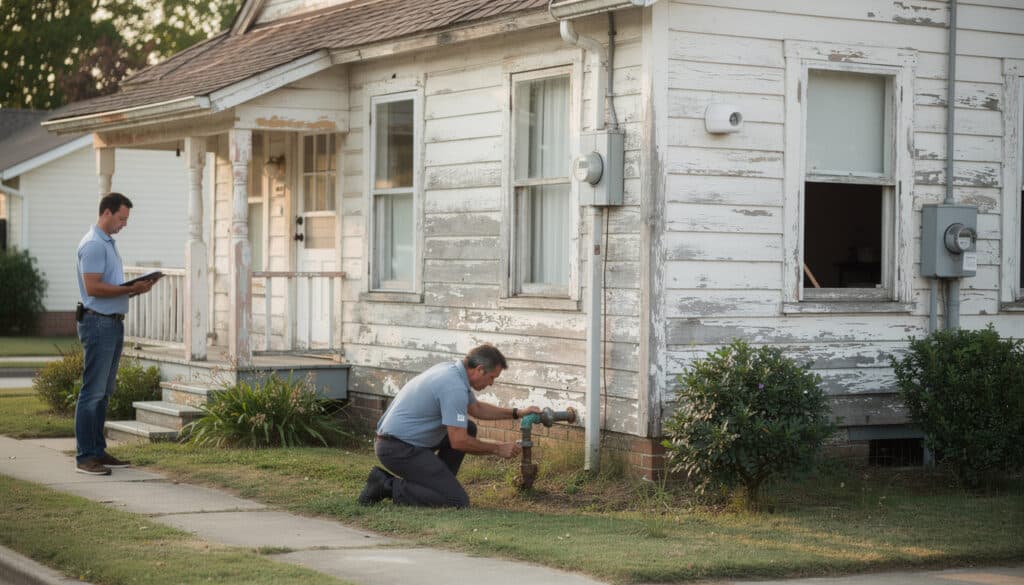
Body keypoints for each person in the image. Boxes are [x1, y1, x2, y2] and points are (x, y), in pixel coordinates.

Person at [358, 344, 540, 508]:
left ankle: (439, 484)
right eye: (492, 377)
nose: (491, 383)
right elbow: (459, 442)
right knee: (456, 501)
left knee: (468, 428)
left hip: (403, 442)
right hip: (397, 449)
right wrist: (498, 449)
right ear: (479, 369)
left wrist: (517, 412)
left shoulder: (451, 371)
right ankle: (385, 485)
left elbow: (476, 409)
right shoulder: (453, 387)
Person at [74, 192, 156, 475]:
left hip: (111, 322)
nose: (124, 224)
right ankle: (86, 457)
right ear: (107, 213)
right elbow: (94, 288)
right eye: (122, 218)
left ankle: (97, 451)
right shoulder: (94, 245)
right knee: (92, 392)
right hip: (98, 324)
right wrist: (130, 288)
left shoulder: (108, 244)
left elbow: (108, 289)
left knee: (103, 393)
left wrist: (134, 289)